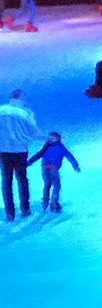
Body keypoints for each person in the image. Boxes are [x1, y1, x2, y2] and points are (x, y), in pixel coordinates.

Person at [0, 89, 46, 220]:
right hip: (20, 150)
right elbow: (34, 133)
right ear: (22, 98)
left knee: (6, 181)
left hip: (3, 150)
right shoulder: (26, 112)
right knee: (22, 179)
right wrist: (47, 139)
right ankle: (25, 208)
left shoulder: (1, 110)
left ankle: (10, 212)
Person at [26, 131, 80, 213]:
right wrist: (75, 165)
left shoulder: (46, 146)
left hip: (45, 169)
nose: (51, 140)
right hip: (53, 169)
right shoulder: (60, 147)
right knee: (56, 186)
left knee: (47, 185)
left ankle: (45, 202)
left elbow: (38, 155)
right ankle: (54, 203)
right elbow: (69, 156)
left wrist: (30, 161)